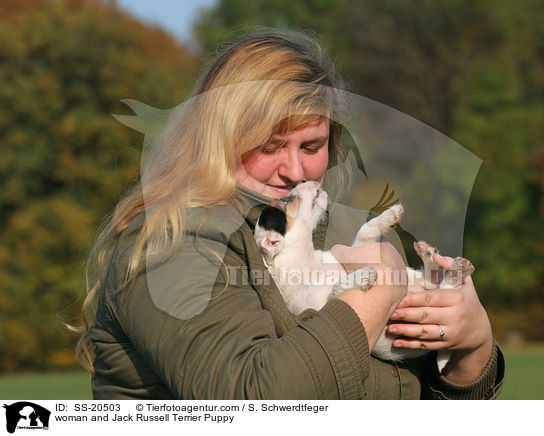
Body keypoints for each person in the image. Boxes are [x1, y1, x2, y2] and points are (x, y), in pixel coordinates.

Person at [77, 30, 505, 399]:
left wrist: (473, 346)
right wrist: (375, 293)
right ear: (216, 139)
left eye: (312, 147)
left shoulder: (356, 234)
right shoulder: (169, 241)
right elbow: (254, 399)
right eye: (269, 145)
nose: (294, 171)